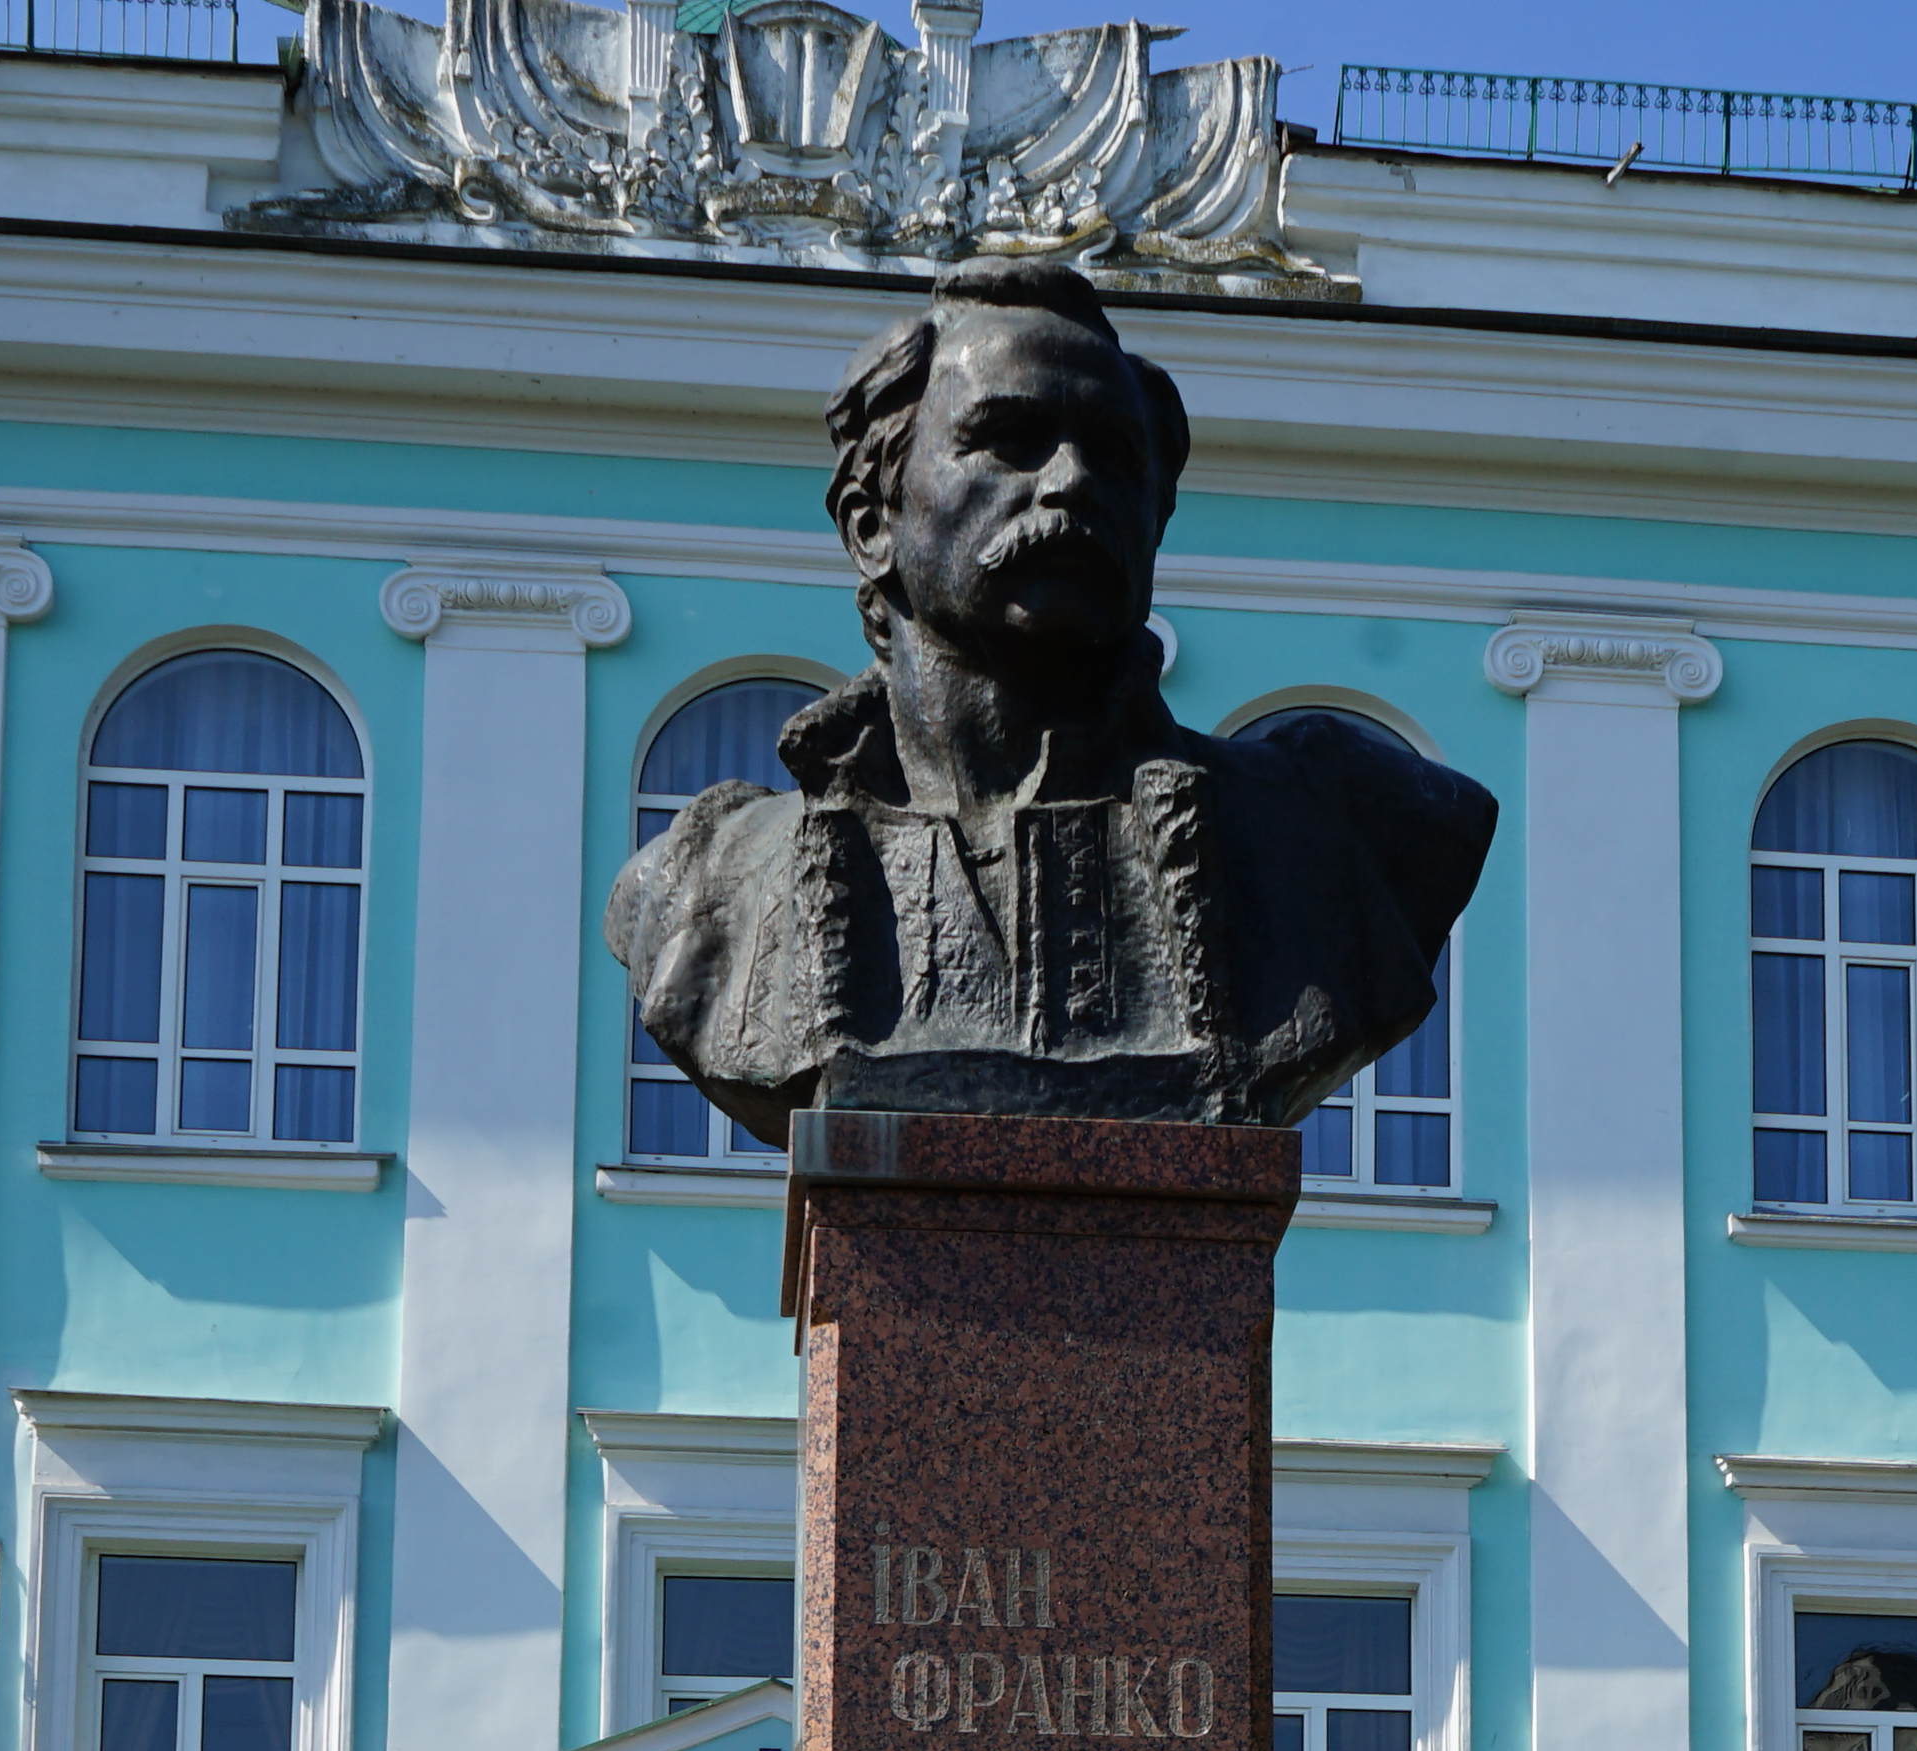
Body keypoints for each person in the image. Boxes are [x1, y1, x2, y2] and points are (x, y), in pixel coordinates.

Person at [601, 257, 1496, 1140]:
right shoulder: (710, 881)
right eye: (1011, 439)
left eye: (1114, 454)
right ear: (874, 525)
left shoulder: (1334, 828)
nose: (1072, 482)